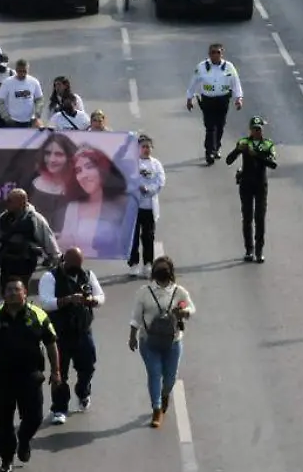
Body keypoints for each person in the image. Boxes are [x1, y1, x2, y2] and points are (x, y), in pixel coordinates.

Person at [0, 276, 61, 472]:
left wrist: (56, 372)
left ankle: (24, 440)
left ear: (25, 293)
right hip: (1, 378)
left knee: (35, 417)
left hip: (30, 376)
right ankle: (6, 459)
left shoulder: (38, 316)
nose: (13, 293)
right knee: (3, 421)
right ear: (3, 294)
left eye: (17, 290)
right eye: (9, 290)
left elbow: (51, 343)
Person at [37, 247, 105, 425]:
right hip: (59, 335)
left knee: (88, 367)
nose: (76, 268)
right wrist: (68, 299)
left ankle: (83, 392)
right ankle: (59, 408)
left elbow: (101, 296)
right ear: (64, 261)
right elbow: (45, 302)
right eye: (72, 265)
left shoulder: (88, 275)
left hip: (83, 332)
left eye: (79, 265)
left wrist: (93, 301)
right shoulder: (50, 277)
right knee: (59, 372)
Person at [129, 256, 195, 429]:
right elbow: (136, 316)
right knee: (154, 373)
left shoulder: (179, 291)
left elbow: (191, 308)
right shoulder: (144, 292)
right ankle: (157, 408)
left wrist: (183, 312)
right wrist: (132, 336)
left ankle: (165, 394)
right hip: (149, 341)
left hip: (173, 341)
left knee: (170, 377)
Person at [0, 189, 61, 293]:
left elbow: (48, 238)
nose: (7, 203)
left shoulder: (35, 219)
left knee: (20, 290)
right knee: (6, 290)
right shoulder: (4, 217)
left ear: (21, 202)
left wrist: (55, 258)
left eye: (10, 200)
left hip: (25, 261)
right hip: (7, 261)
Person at [225, 116, 277, 263]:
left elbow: (273, 164)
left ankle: (259, 250)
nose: (258, 131)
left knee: (259, 218)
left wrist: (257, 156)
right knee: (247, 217)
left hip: (261, 185)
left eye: (260, 129)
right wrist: (237, 151)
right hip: (246, 184)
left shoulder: (268, 144)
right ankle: (249, 249)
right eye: (256, 129)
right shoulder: (244, 142)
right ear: (251, 130)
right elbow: (228, 160)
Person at [59, 148, 130, 256]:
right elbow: (64, 245)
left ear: (102, 169)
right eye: (78, 171)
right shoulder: (73, 207)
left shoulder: (122, 203)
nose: (83, 175)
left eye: (89, 167)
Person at [185, 43, 244, 164]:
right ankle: (209, 152)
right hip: (208, 100)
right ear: (209, 54)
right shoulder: (202, 67)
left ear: (222, 53)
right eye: (213, 52)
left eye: (218, 52)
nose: (215, 55)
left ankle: (216, 147)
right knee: (210, 127)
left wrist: (239, 98)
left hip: (223, 99)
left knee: (220, 125)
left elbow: (235, 82)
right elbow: (193, 83)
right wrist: (189, 98)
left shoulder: (229, 67)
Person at [130, 134, 166, 278]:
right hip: (134, 206)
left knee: (148, 236)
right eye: (143, 147)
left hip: (149, 207)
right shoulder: (132, 163)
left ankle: (148, 264)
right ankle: (133, 263)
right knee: (133, 237)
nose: (146, 149)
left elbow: (161, 181)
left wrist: (149, 189)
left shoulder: (156, 164)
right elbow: (126, 179)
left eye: (148, 147)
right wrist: (137, 186)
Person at [0, 58, 44, 128]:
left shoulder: (34, 82)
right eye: (20, 71)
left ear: (28, 70)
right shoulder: (7, 82)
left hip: (29, 122)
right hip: (12, 122)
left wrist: (37, 115)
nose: (22, 74)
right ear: (16, 70)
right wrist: (6, 117)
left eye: (24, 71)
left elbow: (39, 100)